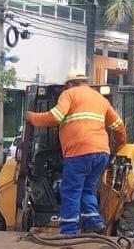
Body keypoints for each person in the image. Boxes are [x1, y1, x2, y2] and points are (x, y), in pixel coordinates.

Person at [25, 71, 127, 236]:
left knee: (71, 191)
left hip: (78, 153)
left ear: (70, 84)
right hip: (101, 153)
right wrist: (120, 145)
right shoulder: (100, 99)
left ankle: (69, 231)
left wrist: (32, 118)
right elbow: (118, 125)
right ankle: (94, 221)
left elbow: (55, 117)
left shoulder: (69, 94)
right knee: (88, 190)